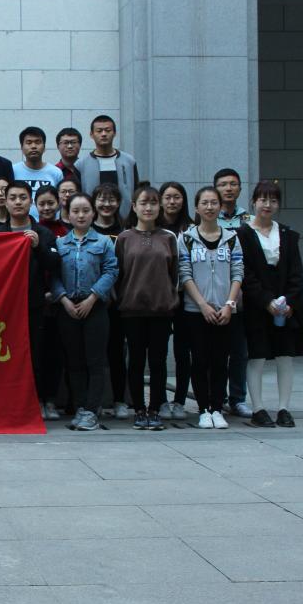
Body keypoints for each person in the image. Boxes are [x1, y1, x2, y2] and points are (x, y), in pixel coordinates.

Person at [237, 181, 303, 428]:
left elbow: (297, 274)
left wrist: (290, 303)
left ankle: (284, 408)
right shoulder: (243, 235)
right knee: (256, 357)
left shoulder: (288, 235)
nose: (267, 205)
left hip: (285, 307)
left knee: (285, 356)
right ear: (253, 202)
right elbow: (245, 274)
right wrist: (266, 301)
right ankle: (258, 408)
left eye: (273, 200)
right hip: (257, 307)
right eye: (263, 199)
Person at [178, 186, 244, 429]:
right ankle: (203, 409)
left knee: (220, 361)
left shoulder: (232, 238)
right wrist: (202, 305)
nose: (209, 207)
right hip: (196, 311)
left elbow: (238, 273)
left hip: (225, 311)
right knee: (199, 360)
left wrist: (229, 304)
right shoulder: (186, 238)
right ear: (196, 208)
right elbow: (184, 274)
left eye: (213, 202)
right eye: (204, 203)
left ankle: (217, 408)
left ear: (220, 206)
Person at [0, 181, 61, 420]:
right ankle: (8, 402)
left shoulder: (43, 233)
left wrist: (38, 247)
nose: (18, 202)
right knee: (6, 355)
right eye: (13, 198)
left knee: (37, 354)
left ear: (30, 201)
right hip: (4, 308)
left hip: (35, 305)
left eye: (22, 197)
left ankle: (41, 400)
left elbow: (55, 265)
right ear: (5, 202)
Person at [53, 193, 118, 431]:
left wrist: (92, 297)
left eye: (85, 210)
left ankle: (92, 410)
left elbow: (111, 271)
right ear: (68, 215)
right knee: (75, 361)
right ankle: (80, 406)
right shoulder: (60, 243)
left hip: (95, 307)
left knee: (95, 361)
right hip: (68, 308)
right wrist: (64, 300)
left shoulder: (104, 242)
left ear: (93, 213)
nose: (81, 215)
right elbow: (54, 276)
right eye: (75, 211)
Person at [116, 186, 179, 431]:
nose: (148, 207)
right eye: (143, 203)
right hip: (132, 310)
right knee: (135, 361)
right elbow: (118, 273)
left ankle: (155, 408)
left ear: (159, 207)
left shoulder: (168, 238)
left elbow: (174, 274)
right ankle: (139, 410)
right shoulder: (124, 238)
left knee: (158, 362)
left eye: (153, 203)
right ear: (134, 207)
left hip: (161, 310)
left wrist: (169, 298)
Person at [214, 167, 252, 418]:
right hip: (214, 293)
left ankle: (238, 398)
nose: (228, 188)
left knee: (239, 351)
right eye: (223, 184)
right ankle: (216, 398)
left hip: (241, 294)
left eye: (233, 184)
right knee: (214, 351)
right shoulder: (208, 218)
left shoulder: (249, 220)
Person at [91, 182, 128, 418]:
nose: (106, 204)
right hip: (93, 301)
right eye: (102, 199)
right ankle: (94, 401)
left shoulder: (126, 232)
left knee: (117, 352)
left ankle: (120, 400)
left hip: (120, 302)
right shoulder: (88, 230)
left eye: (111, 199)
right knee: (94, 354)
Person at [157, 181, 193, 420]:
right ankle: (160, 400)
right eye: (168, 197)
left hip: (184, 296)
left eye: (177, 197)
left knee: (182, 351)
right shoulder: (152, 227)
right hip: (159, 297)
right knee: (158, 352)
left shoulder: (191, 229)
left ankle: (179, 400)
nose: (172, 202)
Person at [76, 115, 139, 221]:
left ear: (114, 133)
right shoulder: (81, 164)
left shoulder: (128, 161)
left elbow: (136, 192)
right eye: (99, 131)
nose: (104, 134)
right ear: (91, 134)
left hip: (125, 221)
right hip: (92, 222)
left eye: (108, 130)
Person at [12, 126, 63, 219]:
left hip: (49, 224)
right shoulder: (13, 170)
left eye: (38, 142)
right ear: (21, 148)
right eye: (29, 143)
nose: (33, 146)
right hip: (20, 224)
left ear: (44, 147)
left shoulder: (56, 172)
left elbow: (61, 202)